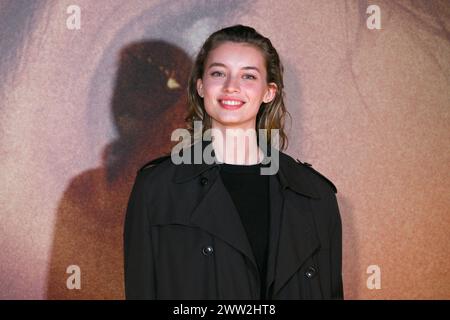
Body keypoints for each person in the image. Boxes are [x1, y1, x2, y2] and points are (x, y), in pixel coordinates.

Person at [123, 24, 343, 300]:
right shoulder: (156, 188)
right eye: (218, 73)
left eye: (248, 76)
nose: (231, 87)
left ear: (269, 92)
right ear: (201, 86)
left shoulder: (315, 196)